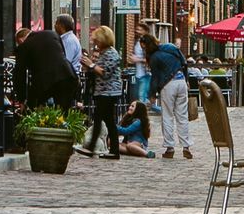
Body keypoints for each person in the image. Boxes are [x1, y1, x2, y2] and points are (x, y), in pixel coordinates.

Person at [143, 32, 193, 159]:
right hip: (181, 80)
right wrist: (186, 80)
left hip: (168, 85)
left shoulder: (154, 57)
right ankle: (186, 146)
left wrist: (152, 94)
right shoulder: (171, 48)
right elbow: (184, 63)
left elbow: (155, 78)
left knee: (167, 116)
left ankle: (170, 147)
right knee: (182, 116)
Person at [13, 20, 80, 111]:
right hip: (67, 75)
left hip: (44, 81)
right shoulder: (51, 34)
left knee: (32, 108)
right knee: (63, 112)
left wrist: (21, 99)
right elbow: (62, 54)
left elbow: (19, 73)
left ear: (20, 40)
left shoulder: (24, 46)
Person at [78, 25, 124, 159]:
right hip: (103, 91)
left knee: (100, 119)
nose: (95, 43)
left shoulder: (111, 53)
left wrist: (91, 64)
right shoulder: (104, 53)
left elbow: (105, 73)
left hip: (108, 92)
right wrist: (90, 66)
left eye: (97, 40)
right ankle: (113, 150)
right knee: (106, 120)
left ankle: (94, 148)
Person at [130, 33, 151, 104]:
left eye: (140, 29)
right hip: (138, 74)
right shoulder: (136, 42)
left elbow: (149, 60)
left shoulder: (148, 46)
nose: (138, 31)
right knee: (139, 97)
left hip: (146, 74)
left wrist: (138, 59)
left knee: (142, 97)